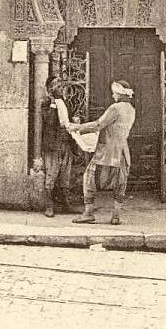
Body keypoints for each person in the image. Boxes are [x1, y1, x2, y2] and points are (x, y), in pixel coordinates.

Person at [69, 79, 135, 226]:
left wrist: (77, 127)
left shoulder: (115, 108)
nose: (113, 96)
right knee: (120, 182)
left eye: (114, 93)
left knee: (89, 177)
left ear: (119, 94)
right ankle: (116, 216)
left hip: (107, 151)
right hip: (122, 150)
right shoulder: (131, 109)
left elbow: (98, 124)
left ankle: (88, 213)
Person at [41, 78, 79, 217]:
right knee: (51, 174)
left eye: (61, 85)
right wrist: (52, 103)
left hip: (66, 143)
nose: (60, 87)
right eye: (57, 85)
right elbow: (49, 121)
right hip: (53, 144)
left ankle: (65, 204)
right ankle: (49, 205)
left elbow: (70, 118)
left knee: (65, 174)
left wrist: (75, 120)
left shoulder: (66, 102)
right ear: (50, 89)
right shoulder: (46, 103)